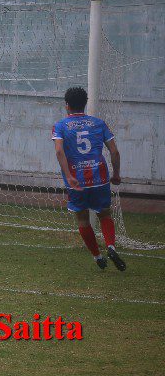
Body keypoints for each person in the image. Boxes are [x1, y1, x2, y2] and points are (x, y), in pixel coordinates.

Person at [52, 87, 125, 271]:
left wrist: (69, 176)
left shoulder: (60, 126)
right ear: (85, 103)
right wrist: (116, 174)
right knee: (105, 214)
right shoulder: (99, 123)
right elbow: (114, 152)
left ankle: (97, 256)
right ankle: (111, 246)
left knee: (83, 219)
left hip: (76, 181)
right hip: (99, 178)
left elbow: (59, 151)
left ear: (67, 105)